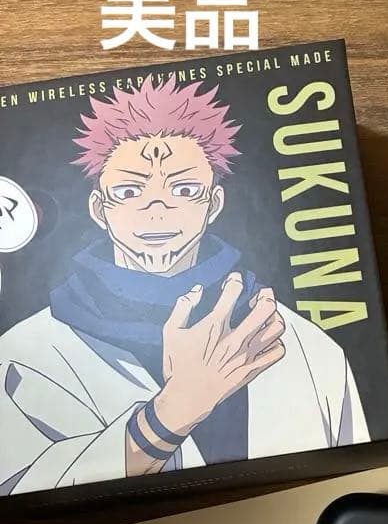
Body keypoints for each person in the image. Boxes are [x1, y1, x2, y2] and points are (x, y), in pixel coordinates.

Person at [0, 75, 369, 496]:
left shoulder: (300, 345)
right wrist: (171, 414)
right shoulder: (23, 356)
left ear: (214, 203)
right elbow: (16, 494)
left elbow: (357, 479)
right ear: (100, 209)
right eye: (129, 189)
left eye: (185, 188)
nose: (157, 208)